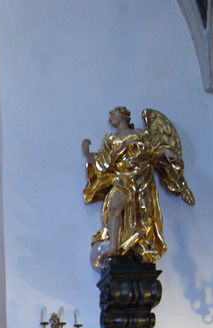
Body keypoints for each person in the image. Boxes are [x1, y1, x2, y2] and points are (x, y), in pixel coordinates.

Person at [82, 106, 195, 264]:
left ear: (123, 115)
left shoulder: (141, 134)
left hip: (141, 181)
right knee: (114, 208)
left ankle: (137, 248)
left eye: (113, 113)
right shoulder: (111, 140)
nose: (110, 117)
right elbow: (102, 165)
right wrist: (87, 154)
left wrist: (166, 152)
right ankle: (113, 248)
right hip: (121, 181)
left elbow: (153, 151)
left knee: (142, 218)